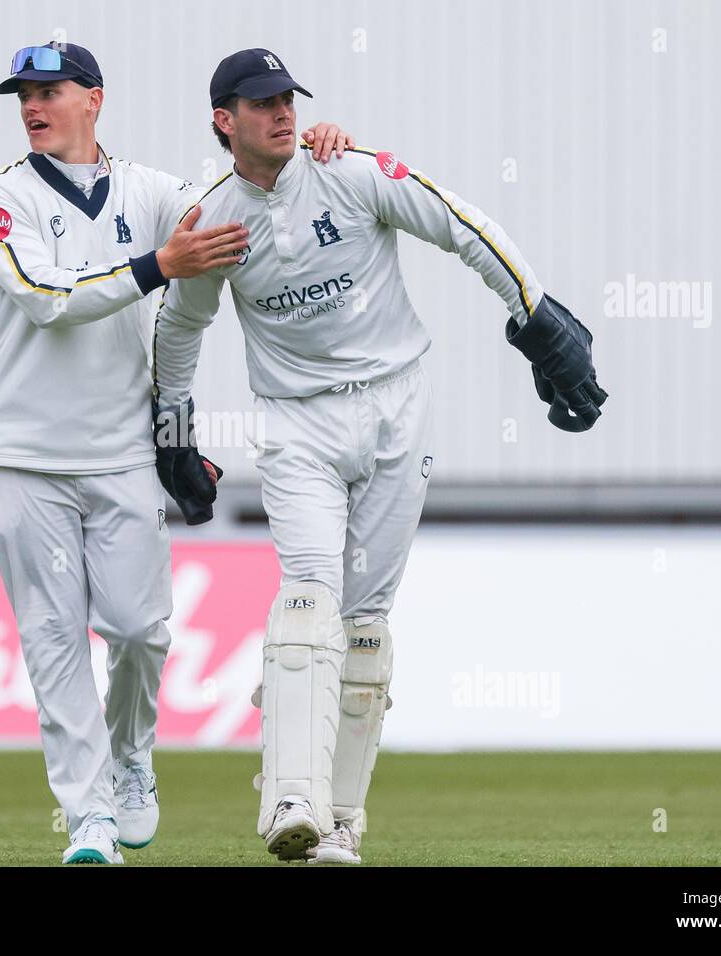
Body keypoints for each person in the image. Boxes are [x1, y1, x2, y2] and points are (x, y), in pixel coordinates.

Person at [152, 48, 608, 864]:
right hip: (297, 428)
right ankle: (292, 795)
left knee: (363, 629)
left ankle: (342, 824)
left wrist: (536, 323)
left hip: (399, 407)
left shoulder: (351, 169)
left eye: (288, 98)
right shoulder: (211, 218)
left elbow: (464, 228)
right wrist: (174, 431)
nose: (282, 113)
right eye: (261, 104)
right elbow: (181, 328)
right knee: (307, 605)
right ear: (225, 121)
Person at [0, 41, 353, 864]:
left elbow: (234, 206)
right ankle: (90, 819)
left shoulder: (149, 192)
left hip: (120, 457)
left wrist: (315, 151)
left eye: (50, 91)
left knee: (141, 632)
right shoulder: (1, 199)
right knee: (53, 640)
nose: (33, 107)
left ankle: (132, 755)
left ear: (94, 99)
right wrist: (156, 267)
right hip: (22, 459)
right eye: (23, 96)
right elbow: (43, 300)